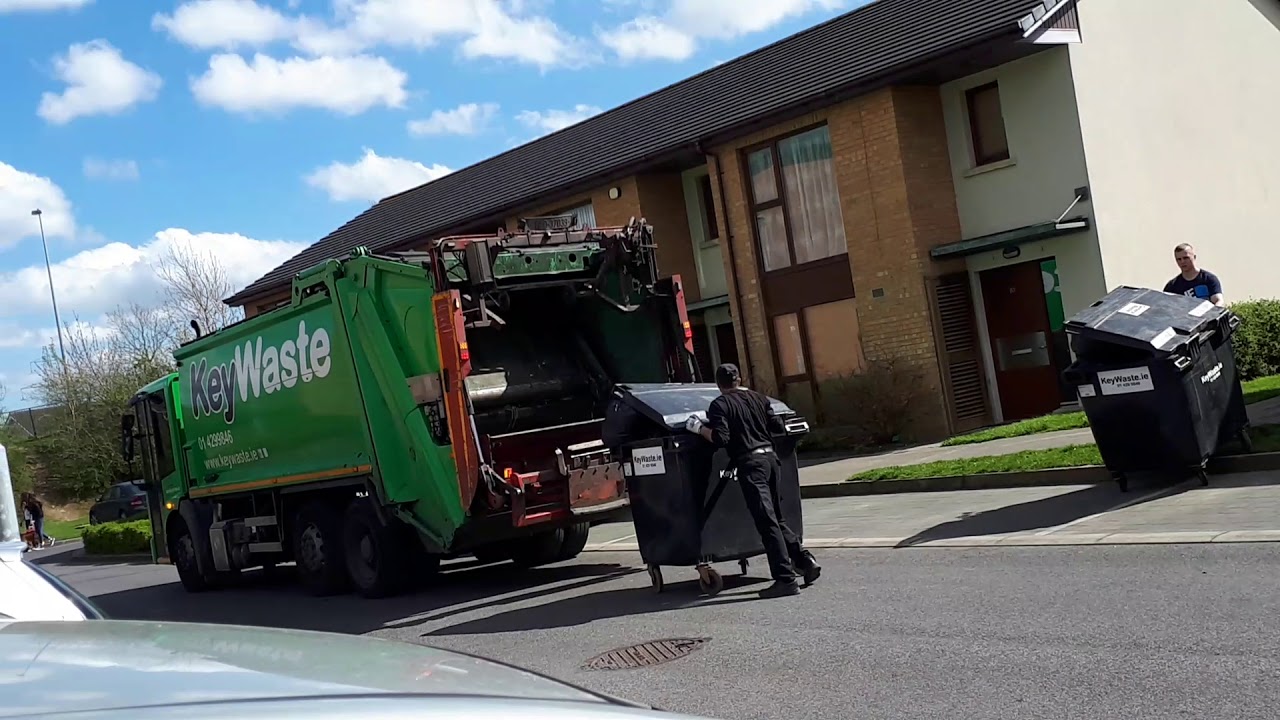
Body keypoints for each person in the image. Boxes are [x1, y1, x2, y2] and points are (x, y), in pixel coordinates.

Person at [684, 364, 820, 598]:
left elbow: (721, 439)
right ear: (739, 379)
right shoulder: (759, 398)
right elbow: (777, 426)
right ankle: (804, 561)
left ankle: (785, 579)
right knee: (777, 517)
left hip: (751, 465)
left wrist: (699, 429)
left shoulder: (720, 405)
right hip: (771, 461)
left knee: (766, 521)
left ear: (719, 385)